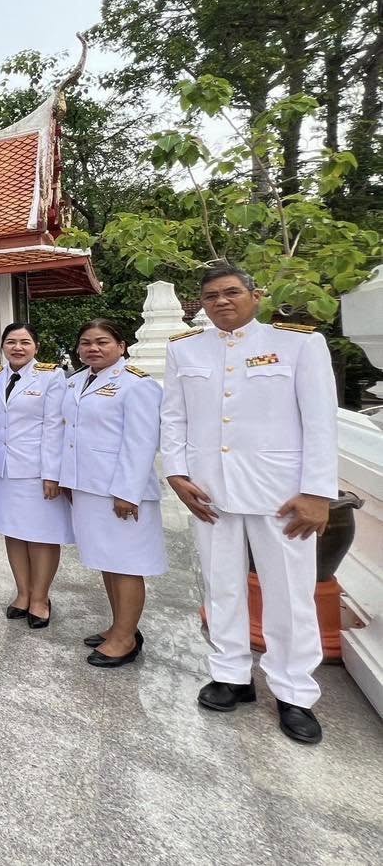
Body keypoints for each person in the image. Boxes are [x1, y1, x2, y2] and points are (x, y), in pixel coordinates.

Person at [162, 265, 336, 744]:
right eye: (211, 296)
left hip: (281, 493)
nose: (221, 302)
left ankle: (294, 691)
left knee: (290, 594)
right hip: (209, 489)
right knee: (220, 585)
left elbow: (320, 423)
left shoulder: (298, 345)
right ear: (201, 303)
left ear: (255, 296)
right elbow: (173, 417)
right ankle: (231, 674)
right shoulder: (184, 349)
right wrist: (176, 473)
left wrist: (318, 492)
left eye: (232, 293)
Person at [56, 318, 165, 668]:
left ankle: (126, 638)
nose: (93, 348)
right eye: (86, 342)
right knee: (107, 560)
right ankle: (120, 625)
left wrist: (127, 492)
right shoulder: (76, 382)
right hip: (88, 486)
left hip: (119, 490)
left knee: (127, 563)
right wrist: (68, 480)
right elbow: (70, 435)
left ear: (121, 346)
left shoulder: (137, 385)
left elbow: (142, 442)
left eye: (102, 342)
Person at [0, 322, 70, 628]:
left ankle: (40, 597)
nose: (18, 348)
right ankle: (23, 593)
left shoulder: (51, 377)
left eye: (25, 342)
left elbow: (54, 426)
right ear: (3, 346)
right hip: (4, 468)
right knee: (14, 531)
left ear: (36, 346)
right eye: (11, 342)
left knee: (42, 536)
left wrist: (52, 474)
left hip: (37, 470)